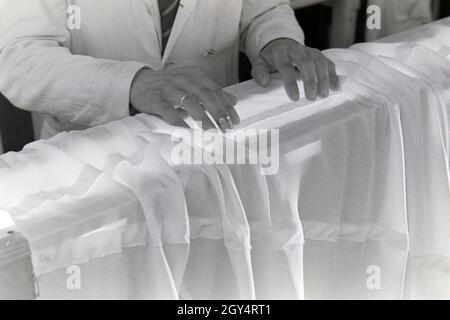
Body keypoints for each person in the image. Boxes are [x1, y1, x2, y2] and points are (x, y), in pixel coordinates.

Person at [0, 0, 339, 136]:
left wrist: (275, 40)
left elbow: (263, 9)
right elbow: (18, 57)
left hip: (215, 146)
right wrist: (131, 85)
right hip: (96, 163)